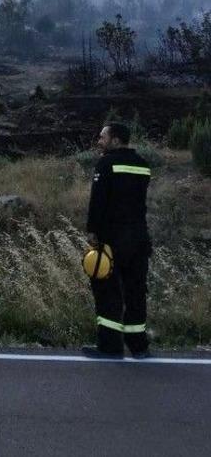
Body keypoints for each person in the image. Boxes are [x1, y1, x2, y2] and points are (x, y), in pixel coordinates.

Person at [83, 122, 152, 359]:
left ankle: (110, 346)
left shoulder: (106, 164)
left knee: (107, 291)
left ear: (115, 140)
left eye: (103, 137)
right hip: (139, 238)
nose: (99, 141)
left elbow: (98, 201)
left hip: (112, 238)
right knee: (136, 291)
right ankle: (138, 346)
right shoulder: (143, 165)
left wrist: (92, 231)